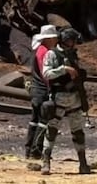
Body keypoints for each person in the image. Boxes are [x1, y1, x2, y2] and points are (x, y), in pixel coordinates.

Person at [40, 27, 91, 175]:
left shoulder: (73, 54)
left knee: (78, 132)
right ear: (66, 41)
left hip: (74, 99)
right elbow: (46, 73)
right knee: (52, 131)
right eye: (73, 41)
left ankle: (83, 164)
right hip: (58, 99)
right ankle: (46, 162)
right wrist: (64, 70)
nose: (74, 44)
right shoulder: (52, 54)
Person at [24, 25, 59, 159]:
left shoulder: (38, 50)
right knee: (43, 121)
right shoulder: (45, 52)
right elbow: (46, 74)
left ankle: (29, 149)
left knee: (34, 120)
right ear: (49, 39)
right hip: (42, 90)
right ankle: (36, 150)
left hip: (36, 89)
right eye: (54, 38)